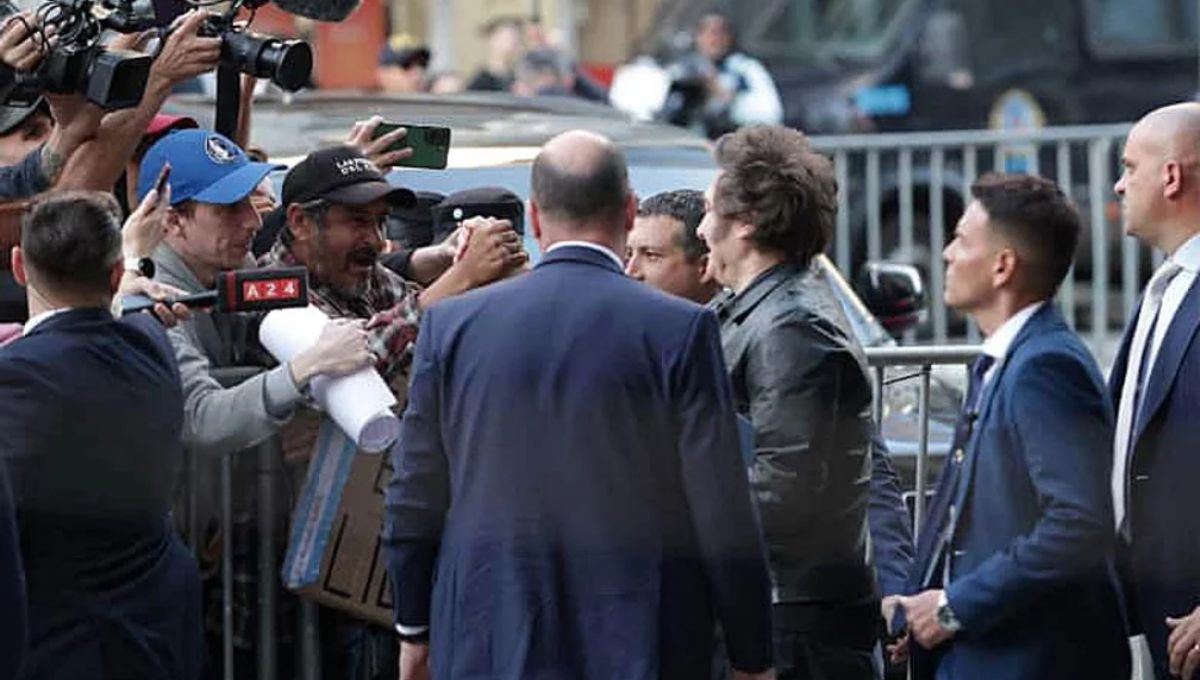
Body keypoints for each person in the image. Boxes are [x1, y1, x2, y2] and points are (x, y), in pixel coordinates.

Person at [383, 130, 775, 680]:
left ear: (535, 217)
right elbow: (720, 505)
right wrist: (751, 651)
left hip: (489, 630)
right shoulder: (679, 329)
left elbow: (415, 492)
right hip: (641, 635)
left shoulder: (452, 326)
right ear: (630, 212)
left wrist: (413, 627)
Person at [629, 188, 915, 674]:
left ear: (705, 263)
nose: (630, 270)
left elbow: (852, 476)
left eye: (651, 255)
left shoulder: (789, 327)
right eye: (628, 252)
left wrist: (896, 590)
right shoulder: (722, 324)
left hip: (788, 622)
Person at [896, 174, 1128, 680]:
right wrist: (917, 611)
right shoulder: (1011, 358)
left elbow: (1077, 525)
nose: (946, 254)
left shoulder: (1045, 366)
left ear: (1003, 266)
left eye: (961, 240)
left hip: (1031, 661)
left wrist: (953, 608)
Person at [0, 190, 205, 679]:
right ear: (114, 276)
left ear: (19, 266)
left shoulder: (15, 375)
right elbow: (126, 302)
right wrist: (133, 258)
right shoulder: (150, 340)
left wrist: (131, 258)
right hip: (161, 633)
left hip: (63, 646)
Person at [697, 126, 876, 680]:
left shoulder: (793, 327)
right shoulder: (761, 310)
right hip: (780, 609)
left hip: (796, 626)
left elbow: (784, 489)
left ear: (745, 222)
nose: (700, 229)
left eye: (709, 210)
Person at [1109, 103, 1200, 680]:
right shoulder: (1163, 288)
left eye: (1129, 167)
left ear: (1170, 177)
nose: (1119, 185)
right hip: (1157, 615)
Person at [668, 13, 783, 139]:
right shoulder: (682, 67)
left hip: (742, 135)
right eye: (708, 33)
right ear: (697, 37)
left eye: (721, 33)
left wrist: (711, 80)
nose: (714, 39)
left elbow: (766, 113)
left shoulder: (744, 67)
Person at [467, 16, 524, 92]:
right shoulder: (480, 84)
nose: (514, 43)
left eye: (517, 39)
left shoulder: (521, 78)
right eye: (508, 37)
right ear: (492, 40)